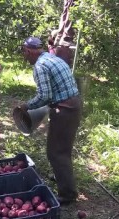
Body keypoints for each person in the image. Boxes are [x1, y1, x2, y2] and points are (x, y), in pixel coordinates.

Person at [18, 37, 82, 205]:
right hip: (75, 104)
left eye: (25, 53)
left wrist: (27, 106)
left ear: (30, 51)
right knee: (64, 147)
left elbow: (44, 96)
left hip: (65, 110)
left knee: (55, 151)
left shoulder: (40, 65)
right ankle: (61, 176)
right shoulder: (53, 58)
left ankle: (68, 194)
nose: (25, 56)